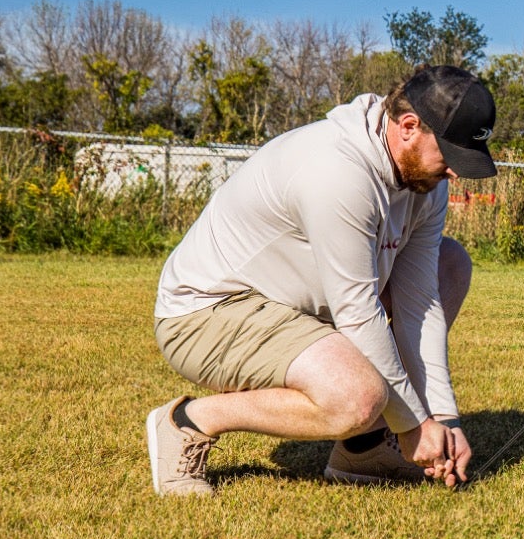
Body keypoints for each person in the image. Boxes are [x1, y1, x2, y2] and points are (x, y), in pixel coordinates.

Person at [143, 64, 497, 497]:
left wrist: (441, 418)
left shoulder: (427, 182)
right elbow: (357, 311)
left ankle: (363, 450)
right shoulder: (336, 171)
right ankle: (188, 422)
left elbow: (419, 300)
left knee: (450, 263)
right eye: (450, 155)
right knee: (357, 397)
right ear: (408, 127)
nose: (455, 173)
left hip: (298, 309)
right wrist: (411, 425)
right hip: (208, 312)